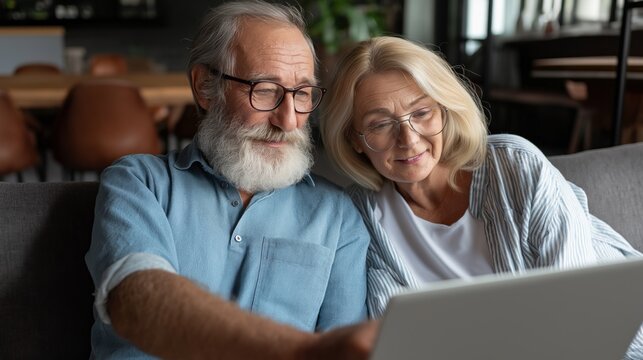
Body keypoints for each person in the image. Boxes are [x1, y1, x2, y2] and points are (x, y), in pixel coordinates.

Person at [85, 1, 379, 358]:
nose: (288, 121)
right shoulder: (139, 183)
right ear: (206, 87)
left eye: (302, 94)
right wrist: (299, 350)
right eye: (266, 89)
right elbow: (135, 298)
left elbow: (345, 349)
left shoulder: (336, 216)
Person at [319, 35, 643, 359]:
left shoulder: (515, 166)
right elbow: (399, 342)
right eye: (380, 124)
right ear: (354, 138)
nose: (408, 138)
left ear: (444, 110)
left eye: (421, 113)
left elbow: (576, 309)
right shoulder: (361, 216)